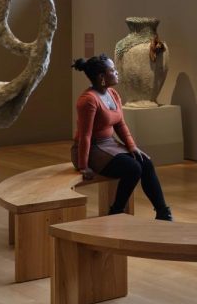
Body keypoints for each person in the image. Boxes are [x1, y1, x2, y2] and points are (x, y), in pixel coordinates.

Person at [71, 54, 172, 221]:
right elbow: (85, 135)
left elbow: (120, 124)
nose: (117, 72)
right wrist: (83, 166)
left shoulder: (113, 93)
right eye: (113, 70)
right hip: (91, 150)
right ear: (101, 76)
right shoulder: (88, 100)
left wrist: (132, 146)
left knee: (145, 163)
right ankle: (116, 212)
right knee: (133, 168)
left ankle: (163, 211)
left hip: (109, 145)